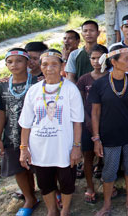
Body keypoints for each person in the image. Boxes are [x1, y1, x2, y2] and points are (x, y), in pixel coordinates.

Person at [18, 49, 84, 216]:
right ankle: (52, 210)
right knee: (44, 182)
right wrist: (23, 148)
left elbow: (78, 122)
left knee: (66, 181)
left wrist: (76, 147)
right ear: (40, 67)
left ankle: (65, 210)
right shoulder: (33, 90)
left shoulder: (71, 89)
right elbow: (26, 123)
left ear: (62, 66)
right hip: (40, 148)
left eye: (54, 64)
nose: (49, 68)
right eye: (45, 64)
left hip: (64, 147)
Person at [89, 44, 128, 216]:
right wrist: (96, 138)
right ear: (113, 62)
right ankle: (107, 205)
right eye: (126, 59)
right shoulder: (100, 84)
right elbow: (95, 112)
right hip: (109, 135)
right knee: (109, 170)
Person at [0, 48, 38, 215]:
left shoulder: (37, 82)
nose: (14, 65)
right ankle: (29, 198)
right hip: (12, 135)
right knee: (17, 168)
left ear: (28, 63)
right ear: (6, 64)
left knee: (38, 166)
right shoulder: (2, 86)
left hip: (35, 135)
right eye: (10, 62)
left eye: (19, 61)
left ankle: (49, 192)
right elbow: (0, 112)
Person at [76, 44, 108, 204]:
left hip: (108, 124)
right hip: (88, 125)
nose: (96, 61)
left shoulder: (112, 76)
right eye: (93, 58)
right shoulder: (84, 79)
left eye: (99, 58)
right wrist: (89, 122)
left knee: (109, 157)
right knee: (88, 157)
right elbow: (80, 103)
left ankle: (108, 185)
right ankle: (90, 187)